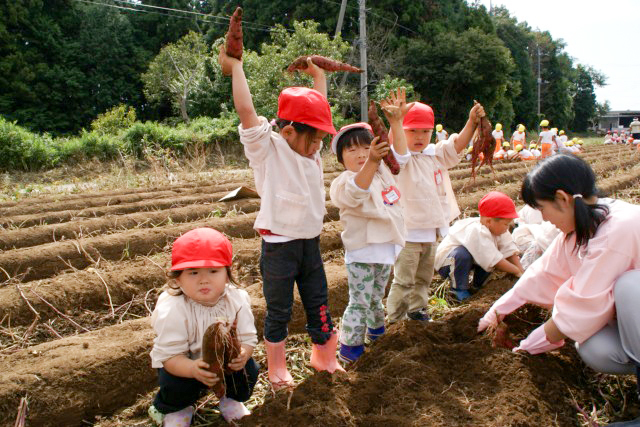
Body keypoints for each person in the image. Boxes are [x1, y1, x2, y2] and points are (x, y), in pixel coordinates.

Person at [478, 155, 640, 426]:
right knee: (591, 346)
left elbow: (581, 309)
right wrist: (496, 312)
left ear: (563, 198)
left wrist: (528, 346)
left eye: (542, 208)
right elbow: (542, 274)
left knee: (629, 288)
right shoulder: (583, 225)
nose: (543, 218)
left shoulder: (618, 229)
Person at [219, 46, 343, 389]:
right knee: (280, 309)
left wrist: (318, 77)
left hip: (309, 244)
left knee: (319, 300)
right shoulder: (268, 150)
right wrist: (236, 67)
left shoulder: (309, 147)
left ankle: (324, 356)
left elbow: (317, 108)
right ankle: (276, 368)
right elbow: (246, 111)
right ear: (288, 132)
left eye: (321, 138)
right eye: (313, 139)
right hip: (279, 249)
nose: (317, 145)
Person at [329, 89, 412, 363]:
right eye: (351, 149)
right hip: (363, 253)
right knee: (360, 302)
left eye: (366, 147)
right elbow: (356, 192)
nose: (361, 154)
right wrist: (373, 162)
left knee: (376, 298)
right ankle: (350, 348)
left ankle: (377, 334)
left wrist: (396, 123)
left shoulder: (384, 171)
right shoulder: (345, 181)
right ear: (341, 158)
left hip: (385, 250)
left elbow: (401, 157)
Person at [385, 101, 486, 322]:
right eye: (412, 131)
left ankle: (417, 311)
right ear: (401, 131)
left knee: (423, 278)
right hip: (407, 233)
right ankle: (395, 319)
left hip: (429, 232)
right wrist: (395, 122)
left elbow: (457, 145)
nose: (420, 136)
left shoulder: (434, 154)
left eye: (425, 131)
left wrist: (471, 122)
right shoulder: (398, 158)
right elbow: (397, 150)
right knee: (403, 280)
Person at [148, 228, 259, 426]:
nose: (204, 279)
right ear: (177, 278)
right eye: (193, 272)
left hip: (224, 364)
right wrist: (191, 369)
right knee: (174, 384)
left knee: (249, 370)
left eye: (213, 271)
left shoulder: (237, 300)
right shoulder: (173, 308)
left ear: (227, 274)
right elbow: (169, 356)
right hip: (185, 364)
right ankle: (177, 408)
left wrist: (243, 353)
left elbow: (248, 337)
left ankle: (230, 400)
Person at [434, 191, 524, 301]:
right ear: (489, 221)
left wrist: (521, 271)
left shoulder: (499, 231)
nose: (507, 227)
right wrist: (515, 271)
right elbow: (495, 261)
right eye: (505, 224)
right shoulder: (476, 231)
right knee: (463, 254)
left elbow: (509, 250)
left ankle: (477, 285)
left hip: (469, 262)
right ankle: (459, 288)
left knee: (489, 254)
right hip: (448, 263)